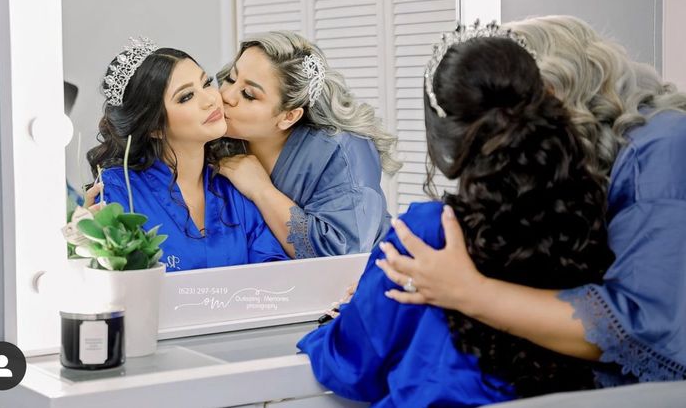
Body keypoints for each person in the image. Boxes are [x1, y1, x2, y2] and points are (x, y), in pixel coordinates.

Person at [298, 25, 615, 405]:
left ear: (443, 135)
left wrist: (344, 320)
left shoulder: (428, 232)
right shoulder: (592, 212)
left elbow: (353, 365)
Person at [378, 15, 686, 385]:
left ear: (552, 93)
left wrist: (469, 293)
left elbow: (644, 328)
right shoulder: (578, 164)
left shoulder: (662, 149)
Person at [84, 38, 289, 271]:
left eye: (207, 83)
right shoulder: (118, 191)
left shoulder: (233, 184)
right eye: (186, 97)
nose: (211, 99)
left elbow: (275, 275)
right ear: (155, 127)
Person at [214, 31, 400, 259]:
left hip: (366, 282)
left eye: (248, 94)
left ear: (288, 116)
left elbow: (337, 256)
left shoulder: (344, 151)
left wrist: (261, 190)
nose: (226, 95)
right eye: (231, 79)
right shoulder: (220, 136)